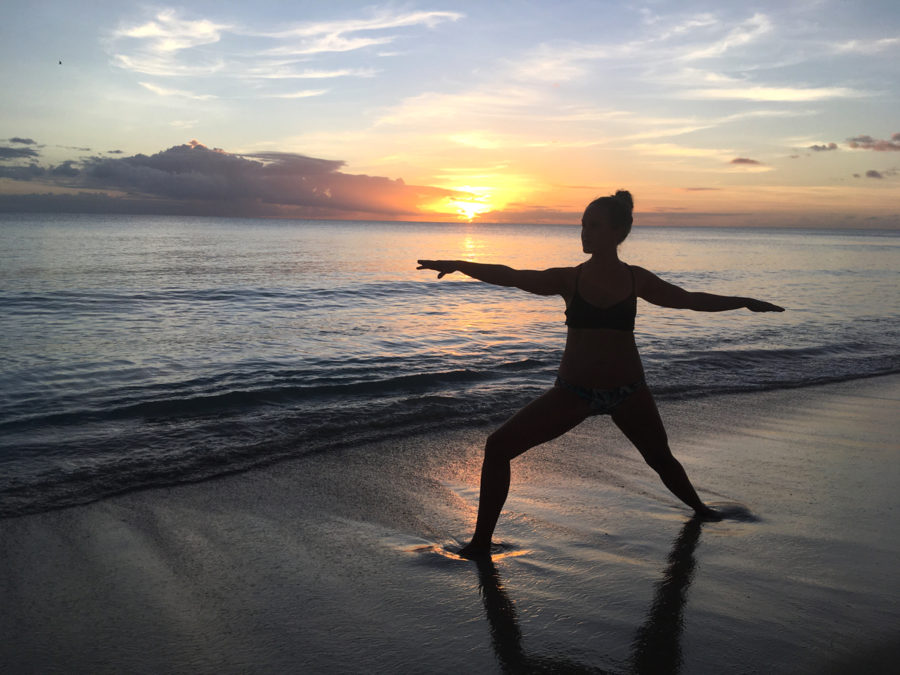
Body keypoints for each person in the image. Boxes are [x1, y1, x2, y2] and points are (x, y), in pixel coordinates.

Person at [417, 191, 784, 558]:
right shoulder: (569, 279)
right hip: (573, 393)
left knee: (661, 459)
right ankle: (480, 543)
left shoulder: (636, 279)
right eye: (582, 224)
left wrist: (743, 302)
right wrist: (460, 264)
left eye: (593, 225)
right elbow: (513, 276)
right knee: (498, 448)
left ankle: (703, 511)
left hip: (629, 391)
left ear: (618, 231)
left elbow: (689, 299)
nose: (584, 233)